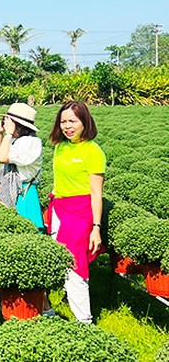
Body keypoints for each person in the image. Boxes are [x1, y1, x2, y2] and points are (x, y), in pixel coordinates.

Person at [47, 101, 105, 324]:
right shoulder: (60, 147)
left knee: (75, 265)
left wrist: (96, 228)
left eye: (73, 121)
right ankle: (51, 312)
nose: (67, 126)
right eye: (63, 121)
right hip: (59, 209)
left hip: (81, 212)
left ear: (85, 122)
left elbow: (96, 192)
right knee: (60, 260)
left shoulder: (93, 151)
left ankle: (84, 322)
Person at [0, 103, 44, 231]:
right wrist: (0, 133)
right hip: (14, 189)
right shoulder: (17, 140)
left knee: (27, 230)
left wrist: (8, 135)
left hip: (24, 191)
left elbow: (3, 158)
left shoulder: (31, 142)